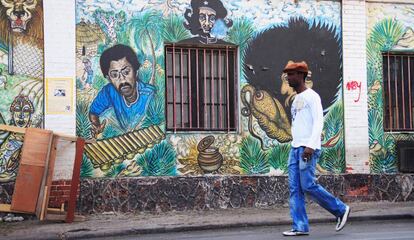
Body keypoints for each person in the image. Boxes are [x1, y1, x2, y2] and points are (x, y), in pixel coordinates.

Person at [282, 61, 350, 236]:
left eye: (291, 74)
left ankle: (341, 210)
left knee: (308, 185)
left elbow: (319, 121)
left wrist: (310, 146)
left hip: (307, 148)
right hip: (295, 148)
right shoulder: (296, 99)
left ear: (301, 76)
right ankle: (300, 226)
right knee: (294, 188)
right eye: (287, 74)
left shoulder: (313, 96)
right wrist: (295, 145)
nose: (288, 78)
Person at [89, 44, 155, 137]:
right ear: (109, 78)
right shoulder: (109, 91)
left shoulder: (150, 96)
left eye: (126, 72)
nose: (122, 80)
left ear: (136, 72)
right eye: (115, 75)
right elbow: (93, 112)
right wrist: (97, 125)